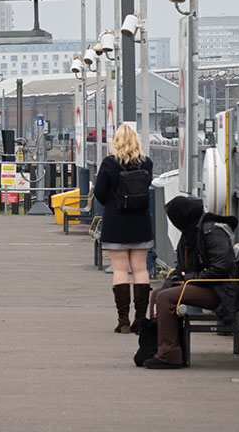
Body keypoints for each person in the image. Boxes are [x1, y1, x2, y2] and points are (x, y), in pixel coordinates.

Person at [143, 195, 239, 369]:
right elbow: (180, 268)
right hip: (206, 285)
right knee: (157, 295)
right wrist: (172, 284)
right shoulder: (190, 233)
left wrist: (190, 279)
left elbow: (222, 266)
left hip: (221, 290)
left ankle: (169, 355)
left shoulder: (211, 231)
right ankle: (156, 347)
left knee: (165, 298)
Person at [94, 123, 154, 334]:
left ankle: (123, 320)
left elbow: (100, 193)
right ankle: (141, 319)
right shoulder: (146, 163)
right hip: (140, 222)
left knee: (120, 270)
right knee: (140, 269)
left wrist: (111, 200)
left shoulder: (110, 163)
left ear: (116, 142)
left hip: (116, 221)